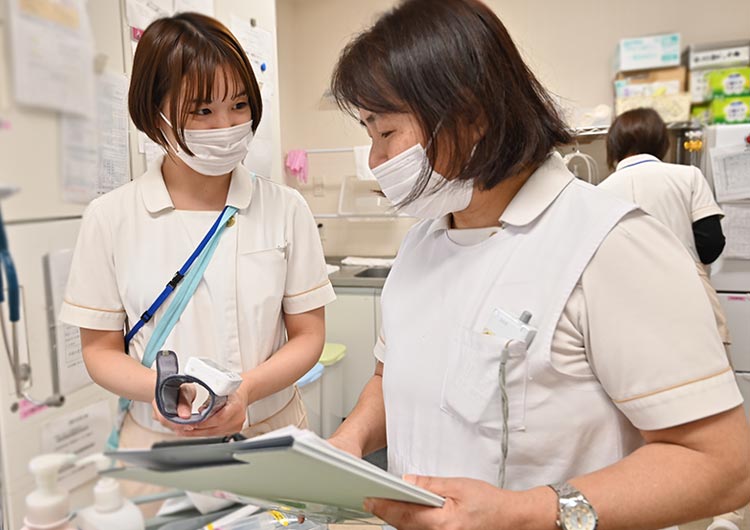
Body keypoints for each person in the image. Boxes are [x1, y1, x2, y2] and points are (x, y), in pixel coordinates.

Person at [325, 1, 750, 529]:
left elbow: (722, 464)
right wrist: (348, 442)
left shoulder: (609, 244)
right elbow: (390, 380)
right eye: (369, 134)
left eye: (385, 133)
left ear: (471, 113)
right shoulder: (422, 244)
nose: (375, 160)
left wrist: (528, 514)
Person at [61, 12, 334, 465]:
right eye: (202, 111)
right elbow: (99, 350)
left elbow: (309, 335)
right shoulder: (110, 218)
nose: (226, 125)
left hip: (270, 437)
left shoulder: (287, 209)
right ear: (155, 115)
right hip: (159, 447)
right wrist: (165, 393)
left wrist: (245, 392)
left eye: (240, 105)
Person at [600, 108, 741, 530]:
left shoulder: (600, 190)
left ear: (612, 147)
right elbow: (711, 243)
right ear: (662, 142)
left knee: (641, 414)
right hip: (688, 300)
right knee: (711, 408)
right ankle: (725, 515)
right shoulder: (685, 177)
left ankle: (656, 510)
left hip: (621, 306)